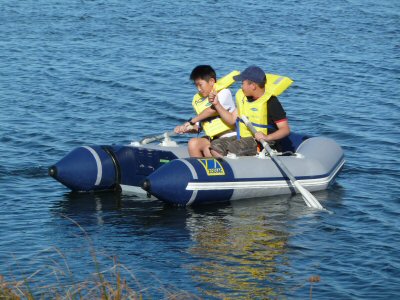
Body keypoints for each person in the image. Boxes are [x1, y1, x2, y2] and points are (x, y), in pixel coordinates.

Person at [208, 65, 290, 157]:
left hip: (264, 143)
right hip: (244, 138)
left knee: (233, 147)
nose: (241, 87)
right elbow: (232, 119)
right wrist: (217, 104)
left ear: (253, 86)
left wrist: (267, 137)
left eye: (243, 83)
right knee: (215, 145)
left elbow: (285, 129)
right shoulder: (244, 98)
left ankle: (234, 165)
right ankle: (227, 167)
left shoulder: (271, 103)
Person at [174, 65, 237, 157]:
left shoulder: (224, 93)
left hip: (230, 136)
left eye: (200, 85)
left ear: (211, 81)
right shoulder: (200, 101)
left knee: (208, 150)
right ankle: (199, 170)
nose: (198, 89)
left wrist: (191, 121)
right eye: (196, 86)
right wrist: (186, 128)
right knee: (193, 143)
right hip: (213, 139)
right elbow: (199, 126)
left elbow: (212, 110)